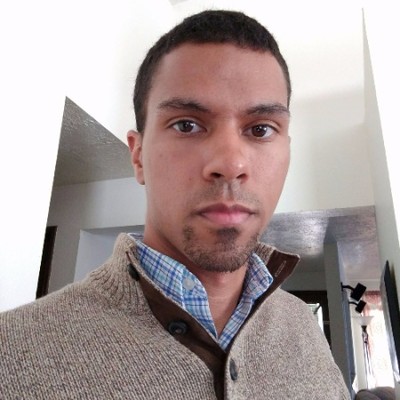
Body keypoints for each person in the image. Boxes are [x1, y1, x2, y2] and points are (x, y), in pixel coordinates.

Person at [0, 10, 350, 400]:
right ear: (137, 157)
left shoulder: (303, 328)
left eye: (261, 129)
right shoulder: (10, 353)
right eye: (187, 124)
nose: (230, 164)